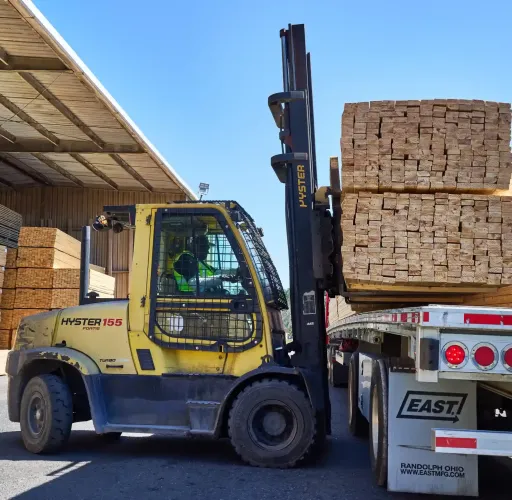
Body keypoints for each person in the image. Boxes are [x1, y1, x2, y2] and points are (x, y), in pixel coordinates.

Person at [167, 234, 239, 294]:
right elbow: (194, 283)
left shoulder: (199, 261)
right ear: (195, 246)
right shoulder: (186, 258)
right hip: (191, 300)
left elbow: (217, 272)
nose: (208, 252)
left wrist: (237, 271)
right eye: (205, 248)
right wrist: (222, 278)